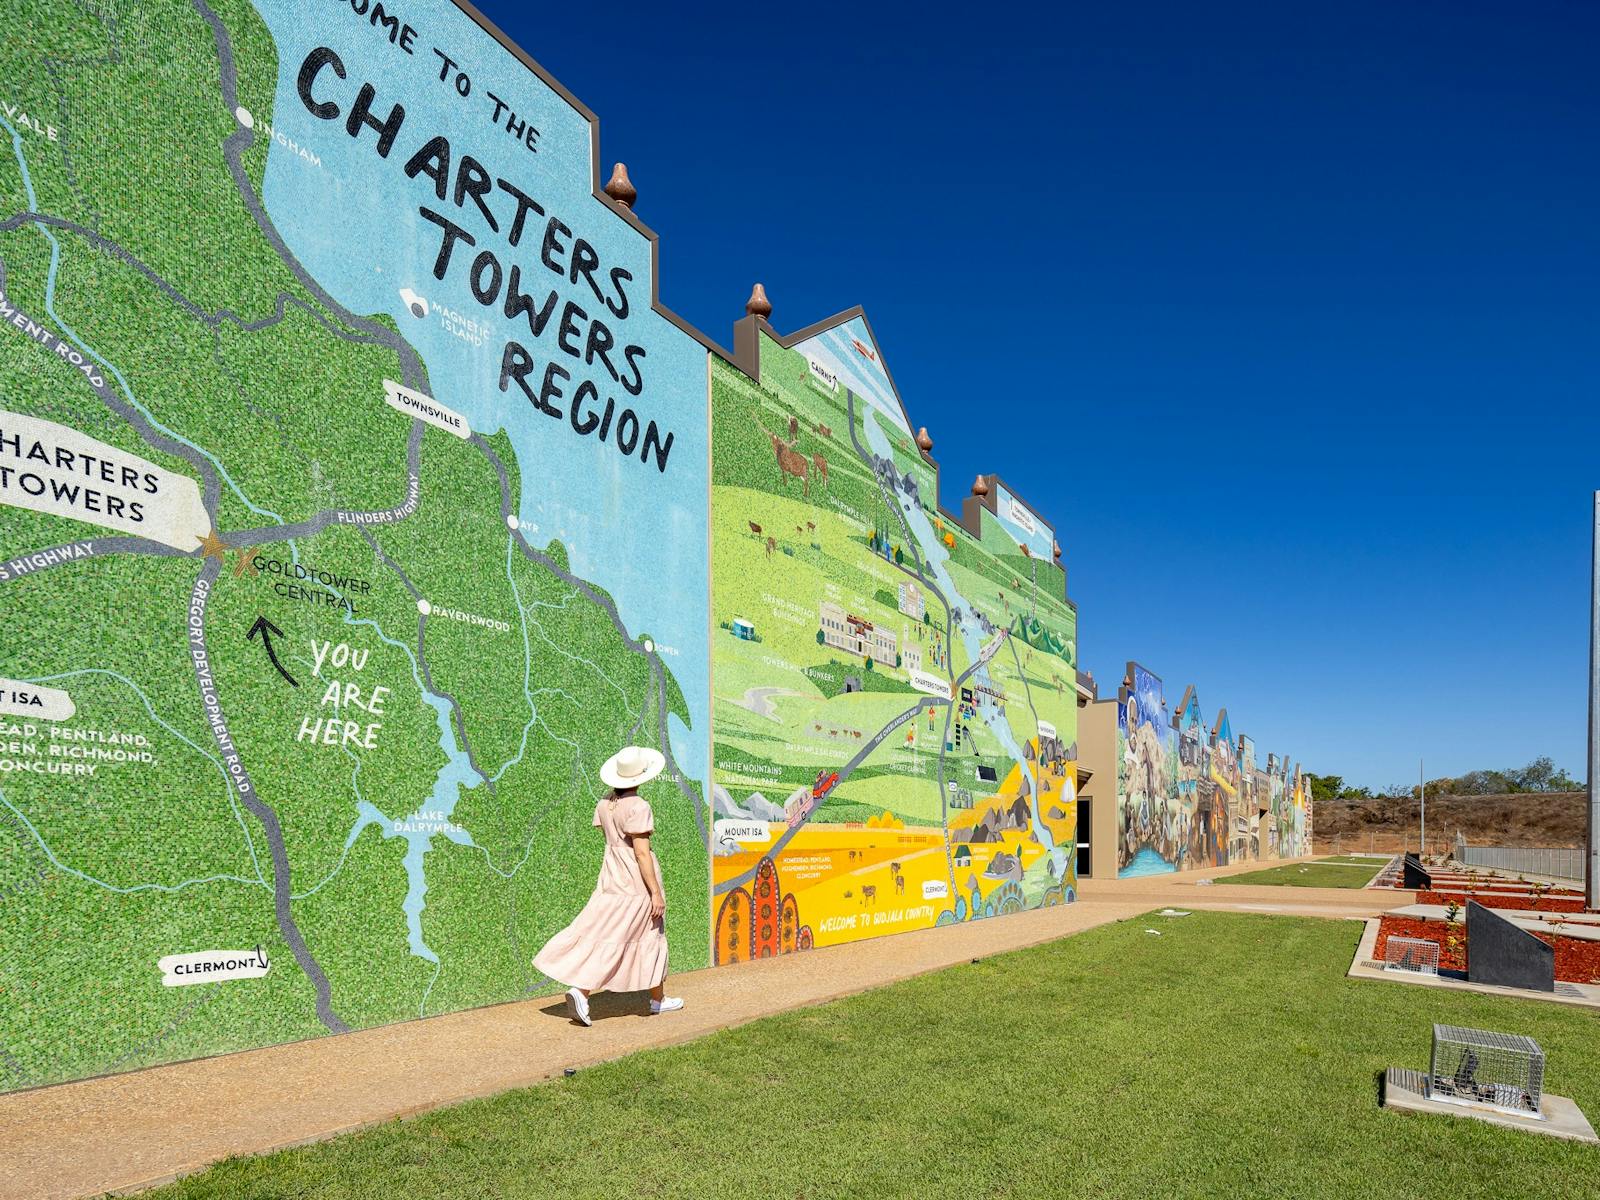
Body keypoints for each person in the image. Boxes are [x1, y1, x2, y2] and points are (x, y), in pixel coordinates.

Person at [533, 745, 683, 1025]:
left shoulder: (605, 803)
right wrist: (656, 893)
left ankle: (657, 999)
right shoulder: (638, 806)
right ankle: (585, 991)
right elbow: (640, 852)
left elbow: (611, 836)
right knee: (649, 934)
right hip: (634, 884)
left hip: (611, 879)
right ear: (640, 777)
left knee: (609, 934)